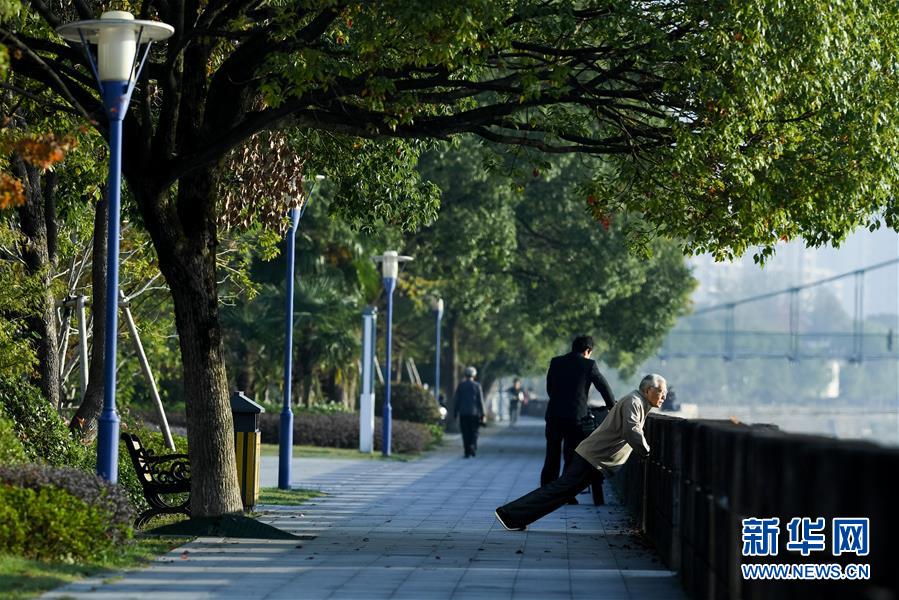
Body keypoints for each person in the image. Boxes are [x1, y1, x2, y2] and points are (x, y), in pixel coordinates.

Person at [495, 374, 667, 531]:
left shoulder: (638, 402)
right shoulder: (634, 402)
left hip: (595, 458)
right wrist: (647, 451)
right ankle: (509, 514)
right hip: (592, 457)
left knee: (561, 493)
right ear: (648, 390)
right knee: (558, 491)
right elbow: (632, 431)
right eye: (661, 392)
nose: (664, 396)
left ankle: (516, 517)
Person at [541, 335, 615, 495]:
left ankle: (546, 491)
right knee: (571, 455)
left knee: (551, 454)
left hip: (554, 415)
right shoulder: (589, 365)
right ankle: (566, 494)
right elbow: (603, 386)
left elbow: (550, 388)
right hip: (576, 418)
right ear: (588, 350)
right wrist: (612, 406)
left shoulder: (556, 362)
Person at [453, 366, 486, 458]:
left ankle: (467, 451)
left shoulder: (461, 385)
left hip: (463, 413)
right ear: (474, 375)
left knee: (465, 432)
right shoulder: (477, 385)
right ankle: (473, 445)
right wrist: (483, 414)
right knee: (474, 431)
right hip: (475, 413)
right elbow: (480, 401)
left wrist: (455, 412)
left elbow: (457, 400)